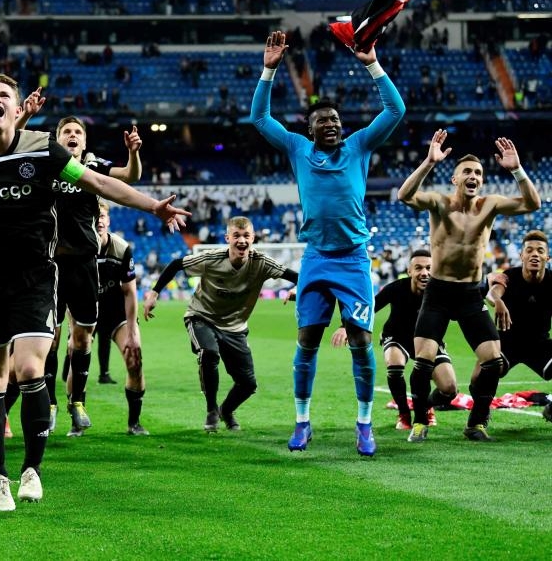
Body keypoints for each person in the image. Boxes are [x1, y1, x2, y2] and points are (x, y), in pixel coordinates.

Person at [0, 73, 189, 511]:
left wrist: (152, 204)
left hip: (35, 278)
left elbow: (98, 183)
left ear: (17, 107)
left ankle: (31, 471)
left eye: (6, 94)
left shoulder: (43, 148)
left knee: (28, 370)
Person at [252, 29, 405, 457]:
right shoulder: (298, 149)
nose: (333, 125)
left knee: (360, 342)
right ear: (311, 128)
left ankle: (364, 425)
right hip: (317, 258)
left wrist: (371, 62)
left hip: (354, 261)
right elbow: (261, 120)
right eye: (325, 121)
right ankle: (302, 422)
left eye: (337, 121)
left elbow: (395, 109)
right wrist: (268, 71)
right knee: (306, 342)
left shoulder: (358, 146)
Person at [398, 129, 540, 441]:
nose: (473, 176)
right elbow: (404, 195)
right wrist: (428, 162)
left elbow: (533, 203)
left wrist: (516, 169)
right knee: (423, 361)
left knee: (492, 360)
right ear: (455, 179)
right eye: (467, 171)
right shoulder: (439, 202)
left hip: (468, 293)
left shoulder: (490, 205)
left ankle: (475, 423)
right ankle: (420, 421)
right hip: (437, 292)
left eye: (478, 172)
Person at [16, 106, 143, 435]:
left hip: (85, 263)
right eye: (66, 133)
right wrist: (26, 116)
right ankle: (52, 403)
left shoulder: (94, 167)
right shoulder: (49, 166)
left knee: (83, 336)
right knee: (52, 338)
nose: (72, 136)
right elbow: (14, 146)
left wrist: (133, 153)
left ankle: (78, 401)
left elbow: (129, 177)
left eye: (78, 133)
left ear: (85, 142)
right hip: (51, 263)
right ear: (57, 141)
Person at [143, 216, 298, 433]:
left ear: (253, 238)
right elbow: (177, 265)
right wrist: (154, 292)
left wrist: (298, 291)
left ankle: (226, 410)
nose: (241, 240)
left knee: (248, 384)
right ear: (228, 238)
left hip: (235, 327)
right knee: (209, 353)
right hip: (202, 317)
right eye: (236, 236)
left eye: (246, 236)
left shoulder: (262, 263)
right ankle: (211, 410)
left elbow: (297, 277)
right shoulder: (212, 258)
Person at [330, 249, 456, 430]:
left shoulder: (441, 292)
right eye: (418, 268)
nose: (424, 273)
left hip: (429, 341)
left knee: (449, 388)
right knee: (395, 365)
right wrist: (345, 326)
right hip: (397, 337)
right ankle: (404, 413)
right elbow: (369, 309)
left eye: (429, 268)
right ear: (409, 270)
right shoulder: (396, 288)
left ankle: (425, 406)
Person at [92, 202, 149, 435]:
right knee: (74, 360)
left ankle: (134, 423)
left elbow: (130, 292)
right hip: (87, 313)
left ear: (109, 220)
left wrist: (133, 329)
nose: (99, 220)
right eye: (95, 216)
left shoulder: (122, 248)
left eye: (103, 215)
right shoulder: (78, 248)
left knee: (135, 358)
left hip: (116, 314)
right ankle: (76, 422)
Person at [487, 230, 552, 423]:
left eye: (540, 251)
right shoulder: (509, 276)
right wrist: (497, 300)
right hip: (508, 343)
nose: (534, 254)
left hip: (540, 345)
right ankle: (479, 417)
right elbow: (493, 292)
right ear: (521, 255)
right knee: (482, 371)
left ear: (547, 257)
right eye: (529, 250)